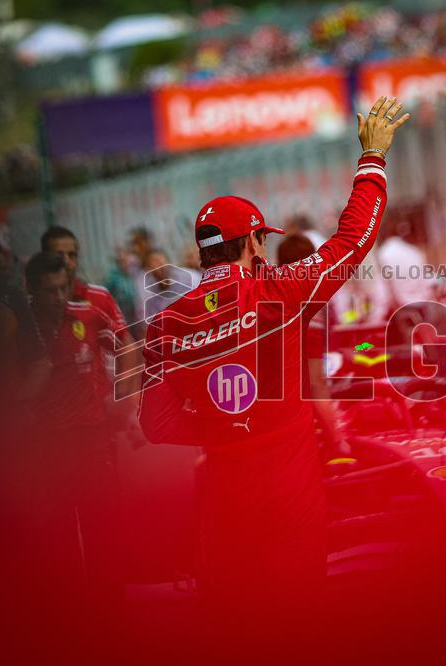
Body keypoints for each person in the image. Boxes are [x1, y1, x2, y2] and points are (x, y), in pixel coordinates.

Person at [138, 96, 409, 615]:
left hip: (223, 491)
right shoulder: (279, 290)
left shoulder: (165, 323)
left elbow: (155, 424)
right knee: (297, 619)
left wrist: (223, 431)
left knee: (233, 624)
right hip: (288, 490)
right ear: (255, 243)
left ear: (203, 252)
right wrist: (372, 157)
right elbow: (353, 242)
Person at [24, 251, 127, 638]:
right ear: (30, 289)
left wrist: (126, 402)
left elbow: (128, 347)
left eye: (62, 287)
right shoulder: (20, 328)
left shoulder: (87, 314)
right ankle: (68, 624)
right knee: (59, 538)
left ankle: (113, 619)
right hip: (45, 447)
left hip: (92, 439)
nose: (57, 296)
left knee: (103, 529)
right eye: (49, 289)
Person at [40, 225, 140, 407]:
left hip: (96, 413)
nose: (67, 261)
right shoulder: (32, 305)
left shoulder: (98, 296)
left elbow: (127, 346)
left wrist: (121, 395)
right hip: (52, 413)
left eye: (72, 255)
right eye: (59, 255)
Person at [277, 233, 349, 458]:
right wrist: (338, 440)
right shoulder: (310, 303)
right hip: (290, 421)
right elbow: (315, 383)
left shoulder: (268, 293)